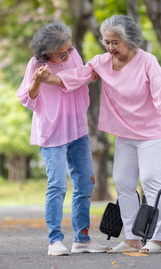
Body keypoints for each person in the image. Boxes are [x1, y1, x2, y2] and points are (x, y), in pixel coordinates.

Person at [38, 15, 161, 254]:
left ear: (130, 41)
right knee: (124, 183)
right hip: (125, 134)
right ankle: (133, 237)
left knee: (149, 181)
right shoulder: (102, 63)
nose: (110, 47)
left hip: (153, 134)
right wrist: (48, 79)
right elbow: (78, 76)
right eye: (107, 42)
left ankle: (158, 239)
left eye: (116, 42)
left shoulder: (147, 61)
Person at [16, 21, 107, 256]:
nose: (68, 55)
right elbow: (28, 100)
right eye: (61, 54)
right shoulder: (36, 64)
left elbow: (81, 77)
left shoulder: (73, 54)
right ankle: (55, 240)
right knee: (57, 185)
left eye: (69, 49)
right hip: (51, 132)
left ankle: (82, 239)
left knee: (86, 183)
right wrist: (37, 80)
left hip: (77, 128)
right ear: (46, 54)